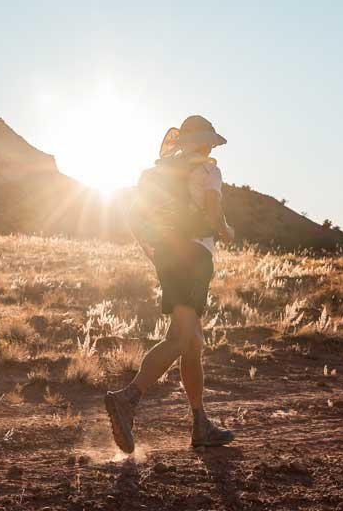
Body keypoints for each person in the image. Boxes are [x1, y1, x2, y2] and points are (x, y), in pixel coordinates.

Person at [105, 115, 236, 452]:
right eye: (207, 141)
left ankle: (200, 424)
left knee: (192, 343)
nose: (209, 146)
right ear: (203, 142)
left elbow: (136, 216)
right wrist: (226, 230)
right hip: (195, 257)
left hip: (169, 256)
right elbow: (212, 214)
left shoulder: (160, 175)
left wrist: (154, 252)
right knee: (179, 339)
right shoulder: (209, 171)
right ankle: (128, 399)